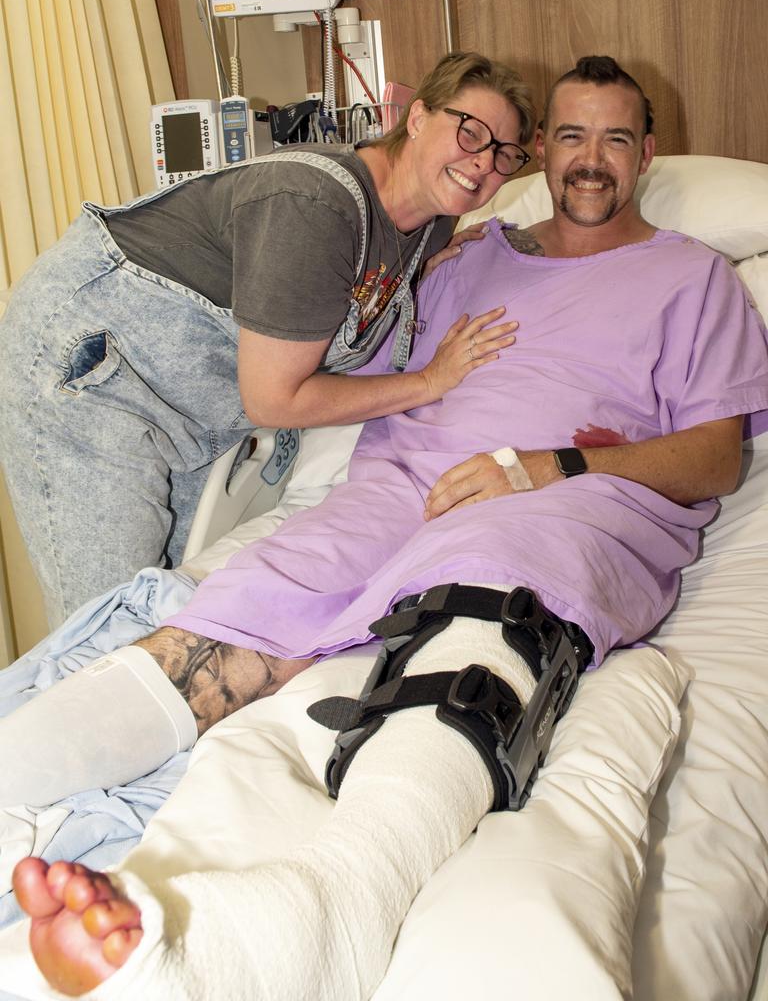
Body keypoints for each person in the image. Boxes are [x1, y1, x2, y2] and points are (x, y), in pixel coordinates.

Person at [9, 56, 768, 1000]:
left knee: (493, 587)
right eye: (569, 137)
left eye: (615, 138)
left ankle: (338, 902)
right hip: (393, 486)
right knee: (240, 611)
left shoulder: (693, 279)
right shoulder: (467, 252)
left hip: (561, 502)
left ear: (646, 153)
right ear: (544, 152)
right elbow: (355, 358)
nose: (590, 160)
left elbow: (717, 459)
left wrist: (552, 466)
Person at [0, 52, 533, 628]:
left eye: (504, 153)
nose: (481, 162)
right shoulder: (314, 205)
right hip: (88, 371)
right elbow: (275, 401)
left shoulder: (431, 222)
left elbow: (353, 300)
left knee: (171, 621)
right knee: (104, 631)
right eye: (470, 132)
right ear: (419, 115)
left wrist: (423, 277)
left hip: (184, 412)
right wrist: (428, 383)